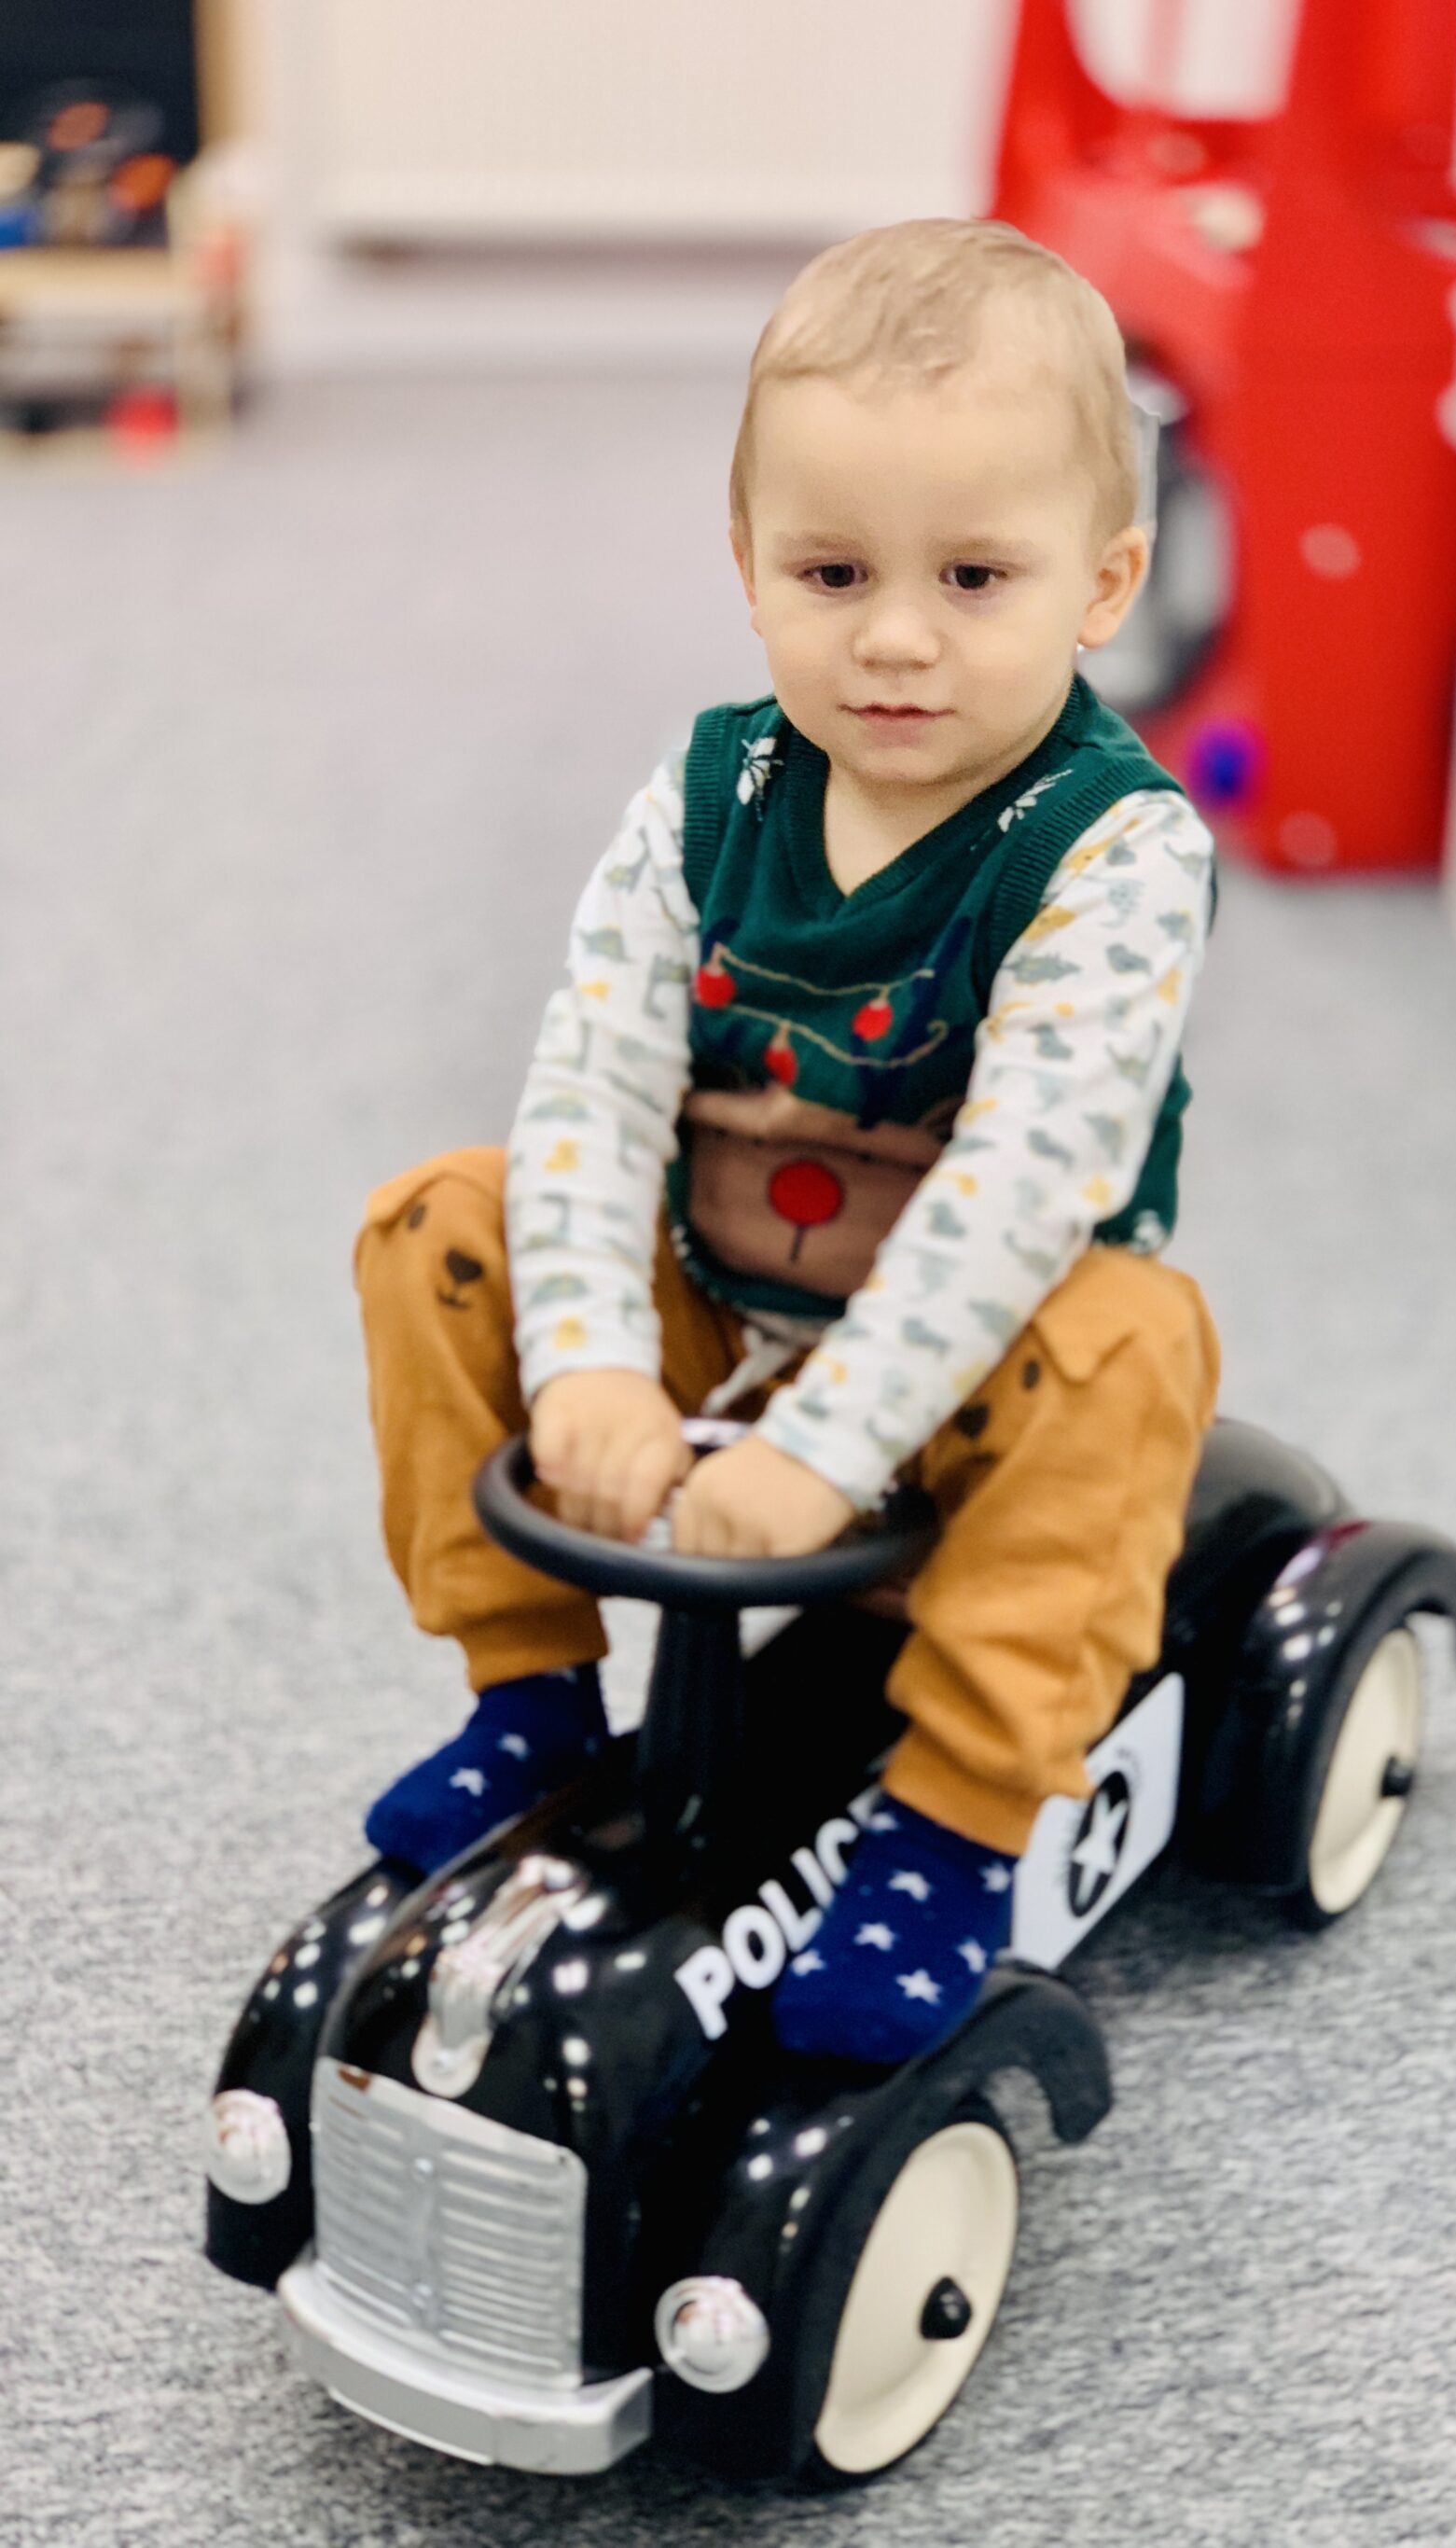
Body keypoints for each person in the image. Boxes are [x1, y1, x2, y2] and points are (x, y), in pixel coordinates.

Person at [354, 218, 1221, 2065]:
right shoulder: (706, 798)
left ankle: (952, 1829)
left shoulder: (1116, 852)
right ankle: (528, 1700)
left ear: (1102, 582)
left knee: (1135, 1344)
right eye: (832, 571)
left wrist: (829, 1450)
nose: (893, 637)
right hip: (722, 1290)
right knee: (442, 1220)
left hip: (970, 1371)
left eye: (974, 576)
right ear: (747, 563)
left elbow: (1019, 1190)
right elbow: (592, 1090)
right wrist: (592, 1363)